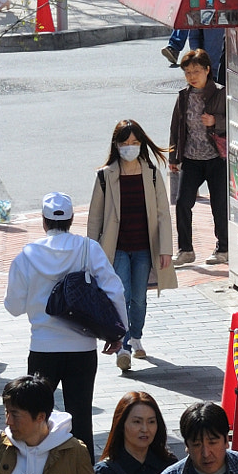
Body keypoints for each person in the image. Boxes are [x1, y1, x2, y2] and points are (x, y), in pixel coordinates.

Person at [4, 190, 126, 454]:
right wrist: (118, 333)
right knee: (81, 418)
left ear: (43, 221)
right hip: (82, 348)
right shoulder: (87, 249)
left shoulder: (27, 255)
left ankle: (37, 470)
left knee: (36, 418)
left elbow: (13, 307)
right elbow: (114, 289)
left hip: (43, 348)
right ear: (71, 219)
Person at [86, 119, 175, 369]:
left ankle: (136, 337)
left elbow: (162, 214)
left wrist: (166, 249)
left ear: (141, 144)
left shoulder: (152, 174)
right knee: (121, 294)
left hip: (144, 247)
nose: (130, 147)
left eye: (134, 143)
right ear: (116, 145)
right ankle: (122, 346)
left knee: (139, 298)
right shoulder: (106, 176)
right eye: (125, 143)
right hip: (117, 248)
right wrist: (91, 252)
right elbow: (95, 218)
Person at [168, 50, 228, 265]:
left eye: (196, 71)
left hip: (216, 158)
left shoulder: (220, 93)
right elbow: (176, 127)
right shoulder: (183, 96)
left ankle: (224, 248)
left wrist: (216, 122)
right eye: (187, 72)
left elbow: (233, 119)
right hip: (191, 158)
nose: (192, 76)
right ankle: (186, 250)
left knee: (219, 205)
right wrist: (174, 157)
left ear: (207, 70)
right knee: (183, 202)